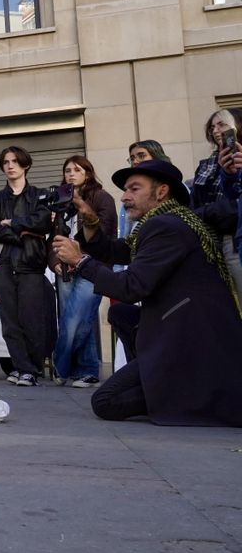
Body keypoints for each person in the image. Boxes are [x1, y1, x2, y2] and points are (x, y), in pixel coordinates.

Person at [53, 160, 242, 426]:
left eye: (134, 189)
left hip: (190, 342)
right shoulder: (171, 220)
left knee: (105, 401)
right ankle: (154, 375)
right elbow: (120, 251)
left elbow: (131, 287)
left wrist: (80, 261)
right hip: (184, 327)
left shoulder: (166, 227)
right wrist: (90, 219)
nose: (125, 196)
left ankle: (174, 390)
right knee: (122, 314)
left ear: (162, 192)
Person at [0, 146, 53, 387]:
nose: (10, 166)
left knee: (32, 319)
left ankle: (31, 368)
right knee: (9, 320)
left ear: (26, 165)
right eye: (6, 162)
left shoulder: (40, 195)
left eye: (15, 161)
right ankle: (23, 368)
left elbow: (43, 222)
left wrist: (12, 223)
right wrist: (22, 234)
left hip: (31, 264)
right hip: (2, 264)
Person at [50, 156, 116, 388]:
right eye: (67, 170)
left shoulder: (101, 197)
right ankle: (87, 371)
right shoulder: (61, 201)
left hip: (91, 265)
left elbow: (105, 234)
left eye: (76, 170)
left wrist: (79, 256)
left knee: (75, 319)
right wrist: (54, 261)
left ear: (87, 173)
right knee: (78, 319)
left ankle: (61, 365)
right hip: (64, 267)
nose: (70, 174)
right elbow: (53, 236)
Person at [194, 110, 242, 293]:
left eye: (221, 125)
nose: (215, 131)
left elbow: (233, 207)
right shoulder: (206, 164)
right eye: (212, 127)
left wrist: (205, 212)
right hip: (209, 241)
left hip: (234, 240)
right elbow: (196, 201)